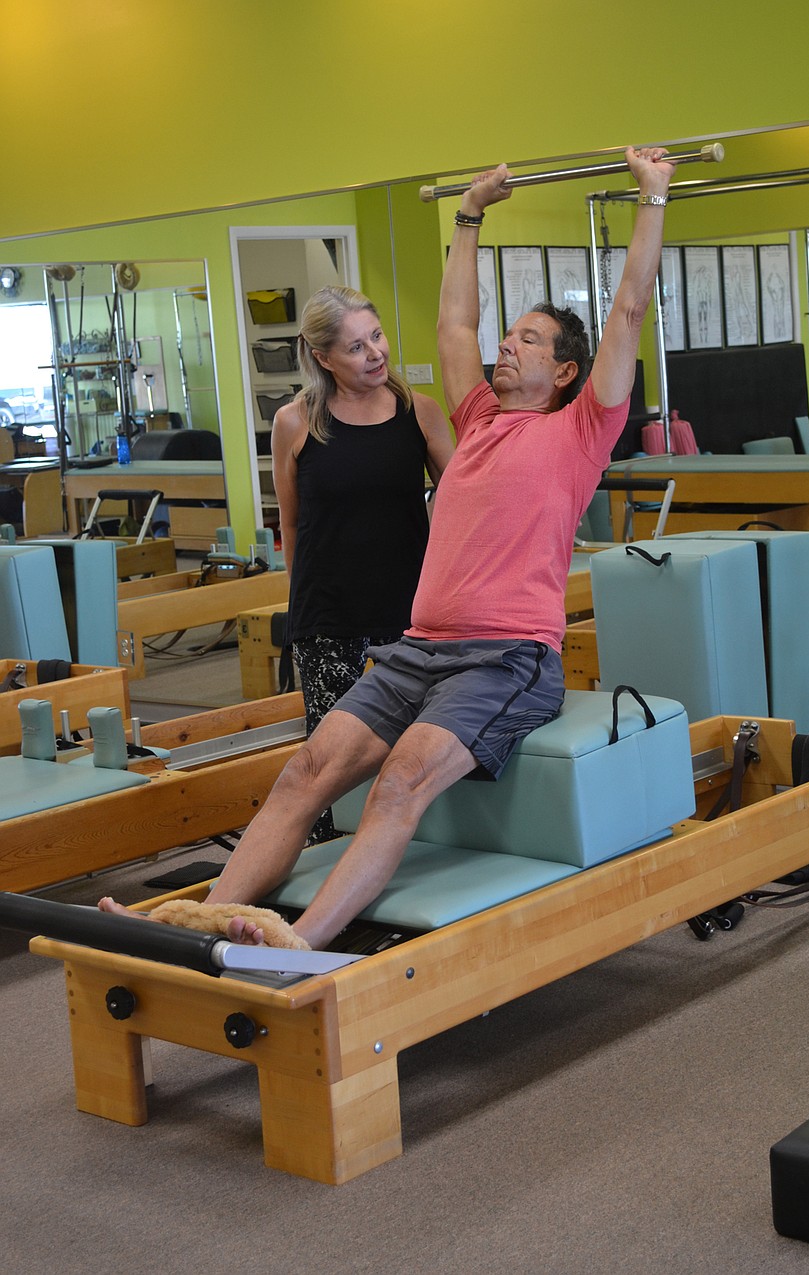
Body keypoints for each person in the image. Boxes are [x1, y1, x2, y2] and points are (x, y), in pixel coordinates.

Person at [100, 147, 674, 951]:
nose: (507, 345)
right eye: (510, 334)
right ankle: (193, 926)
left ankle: (302, 946)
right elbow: (454, 323)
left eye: (530, 341)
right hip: (415, 652)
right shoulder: (474, 417)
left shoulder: (582, 430)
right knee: (305, 772)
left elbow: (630, 311)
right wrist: (469, 214)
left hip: (505, 659)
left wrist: (652, 197)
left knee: (399, 780)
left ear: (566, 370)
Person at [272, 285, 454, 842]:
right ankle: (324, 868)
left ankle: (401, 857)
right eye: (356, 347)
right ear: (322, 357)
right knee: (330, 758)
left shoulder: (419, 412)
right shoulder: (295, 422)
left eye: (377, 336)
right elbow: (293, 523)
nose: (375, 353)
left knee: (410, 747)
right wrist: (302, 605)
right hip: (329, 614)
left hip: (410, 611)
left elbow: (462, 500)